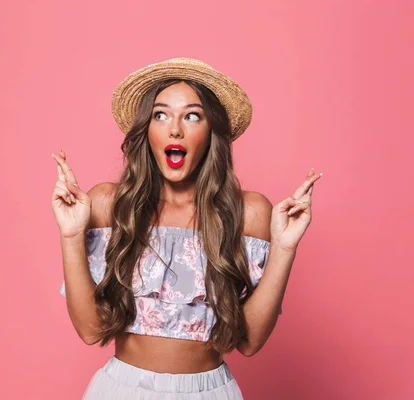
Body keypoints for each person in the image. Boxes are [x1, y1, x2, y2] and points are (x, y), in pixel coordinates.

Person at [51, 57, 322, 399]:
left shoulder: (249, 213)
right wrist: (71, 236)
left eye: (192, 116)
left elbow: (250, 342)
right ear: (146, 131)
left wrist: (284, 248)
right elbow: (90, 331)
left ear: (211, 133)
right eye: (160, 115)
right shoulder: (108, 205)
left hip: (208, 391)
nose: (174, 129)